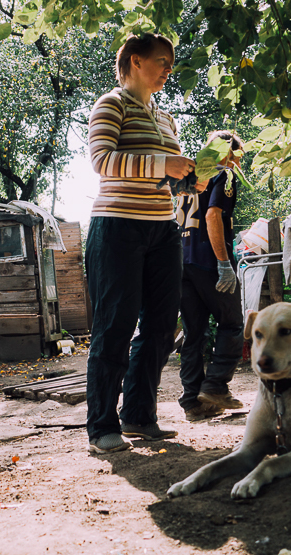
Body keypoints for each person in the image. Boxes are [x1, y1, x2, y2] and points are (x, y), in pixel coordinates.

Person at [84, 32, 196, 454]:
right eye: (162, 61)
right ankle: (101, 426)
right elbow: (102, 161)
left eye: (171, 63)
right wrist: (161, 163)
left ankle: (138, 415)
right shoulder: (110, 104)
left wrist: (198, 173)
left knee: (162, 326)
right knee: (114, 326)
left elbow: (173, 180)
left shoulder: (166, 118)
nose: (169, 70)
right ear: (134, 61)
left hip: (163, 229)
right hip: (117, 228)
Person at [176, 131, 246, 421]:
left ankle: (193, 402)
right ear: (227, 154)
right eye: (238, 157)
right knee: (232, 324)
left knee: (194, 332)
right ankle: (215, 385)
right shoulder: (223, 176)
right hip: (208, 261)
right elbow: (212, 215)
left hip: (182, 262)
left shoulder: (187, 179)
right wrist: (223, 263)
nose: (239, 164)